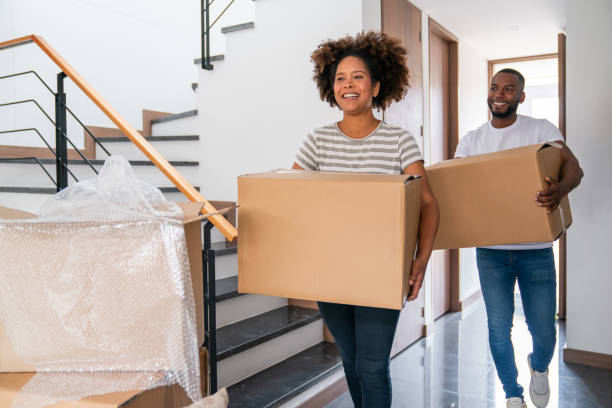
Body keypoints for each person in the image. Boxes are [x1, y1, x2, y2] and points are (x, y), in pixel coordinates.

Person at [291, 31, 439, 408]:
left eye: (357, 77)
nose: (348, 85)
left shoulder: (399, 140)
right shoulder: (317, 141)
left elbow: (427, 204)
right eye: (339, 78)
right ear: (331, 88)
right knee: (352, 360)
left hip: (381, 269)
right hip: (331, 270)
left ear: (375, 86)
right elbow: (288, 196)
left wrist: (420, 261)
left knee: (372, 366)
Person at [455, 68, 583, 408]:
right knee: (498, 328)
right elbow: (456, 188)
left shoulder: (540, 129)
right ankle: (512, 393)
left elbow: (575, 168)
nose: (499, 94)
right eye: (495, 87)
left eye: (509, 89)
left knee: (544, 330)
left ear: (521, 96)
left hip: (536, 250)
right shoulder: (471, 141)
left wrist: (561, 190)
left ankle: (538, 368)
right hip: (491, 252)